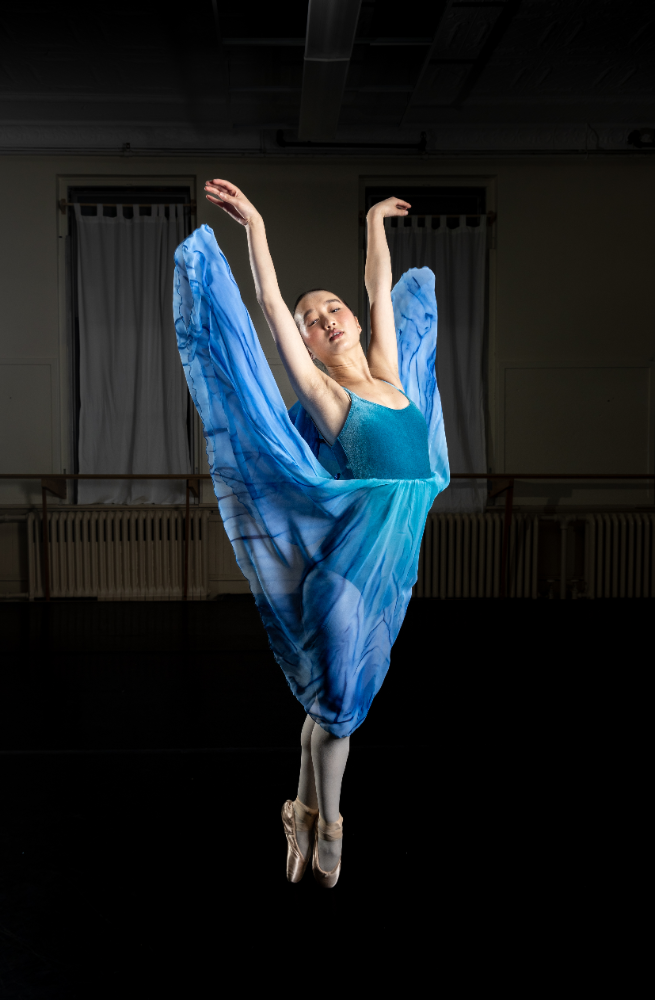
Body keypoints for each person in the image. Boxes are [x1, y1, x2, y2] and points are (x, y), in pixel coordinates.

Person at [173, 179, 449, 889]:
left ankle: (296, 813)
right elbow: (270, 306)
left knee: (326, 704)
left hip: (385, 572)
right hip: (341, 577)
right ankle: (329, 826)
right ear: (305, 343)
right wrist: (256, 226)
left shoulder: (391, 376)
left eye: (332, 308)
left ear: (352, 320)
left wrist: (372, 223)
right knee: (339, 710)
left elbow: (379, 288)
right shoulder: (330, 396)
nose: (323, 317)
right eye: (310, 317)